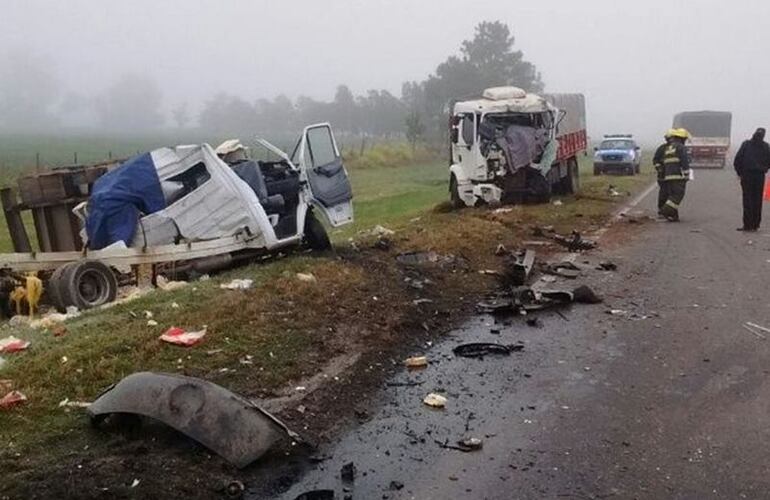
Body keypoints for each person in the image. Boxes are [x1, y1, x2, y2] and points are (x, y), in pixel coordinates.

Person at [734, 128, 770, 232]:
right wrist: (764, 168)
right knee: (757, 200)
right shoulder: (766, 146)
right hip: (759, 176)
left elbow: (738, 159)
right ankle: (755, 225)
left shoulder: (746, 144)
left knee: (747, 200)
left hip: (747, 175)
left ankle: (747, 225)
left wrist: (739, 173)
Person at [658, 128, 691, 221]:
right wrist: (687, 174)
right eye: (685, 139)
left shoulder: (669, 147)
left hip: (668, 176)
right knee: (677, 195)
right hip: (678, 176)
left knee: (671, 195)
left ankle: (673, 216)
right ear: (681, 138)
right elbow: (684, 162)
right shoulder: (681, 147)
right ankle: (664, 211)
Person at [653, 129, 677, 216]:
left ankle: (671, 211)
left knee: (673, 194)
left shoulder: (678, 148)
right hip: (663, 176)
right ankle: (662, 209)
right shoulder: (662, 148)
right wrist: (659, 168)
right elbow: (655, 160)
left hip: (674, 175)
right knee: (664, 193)